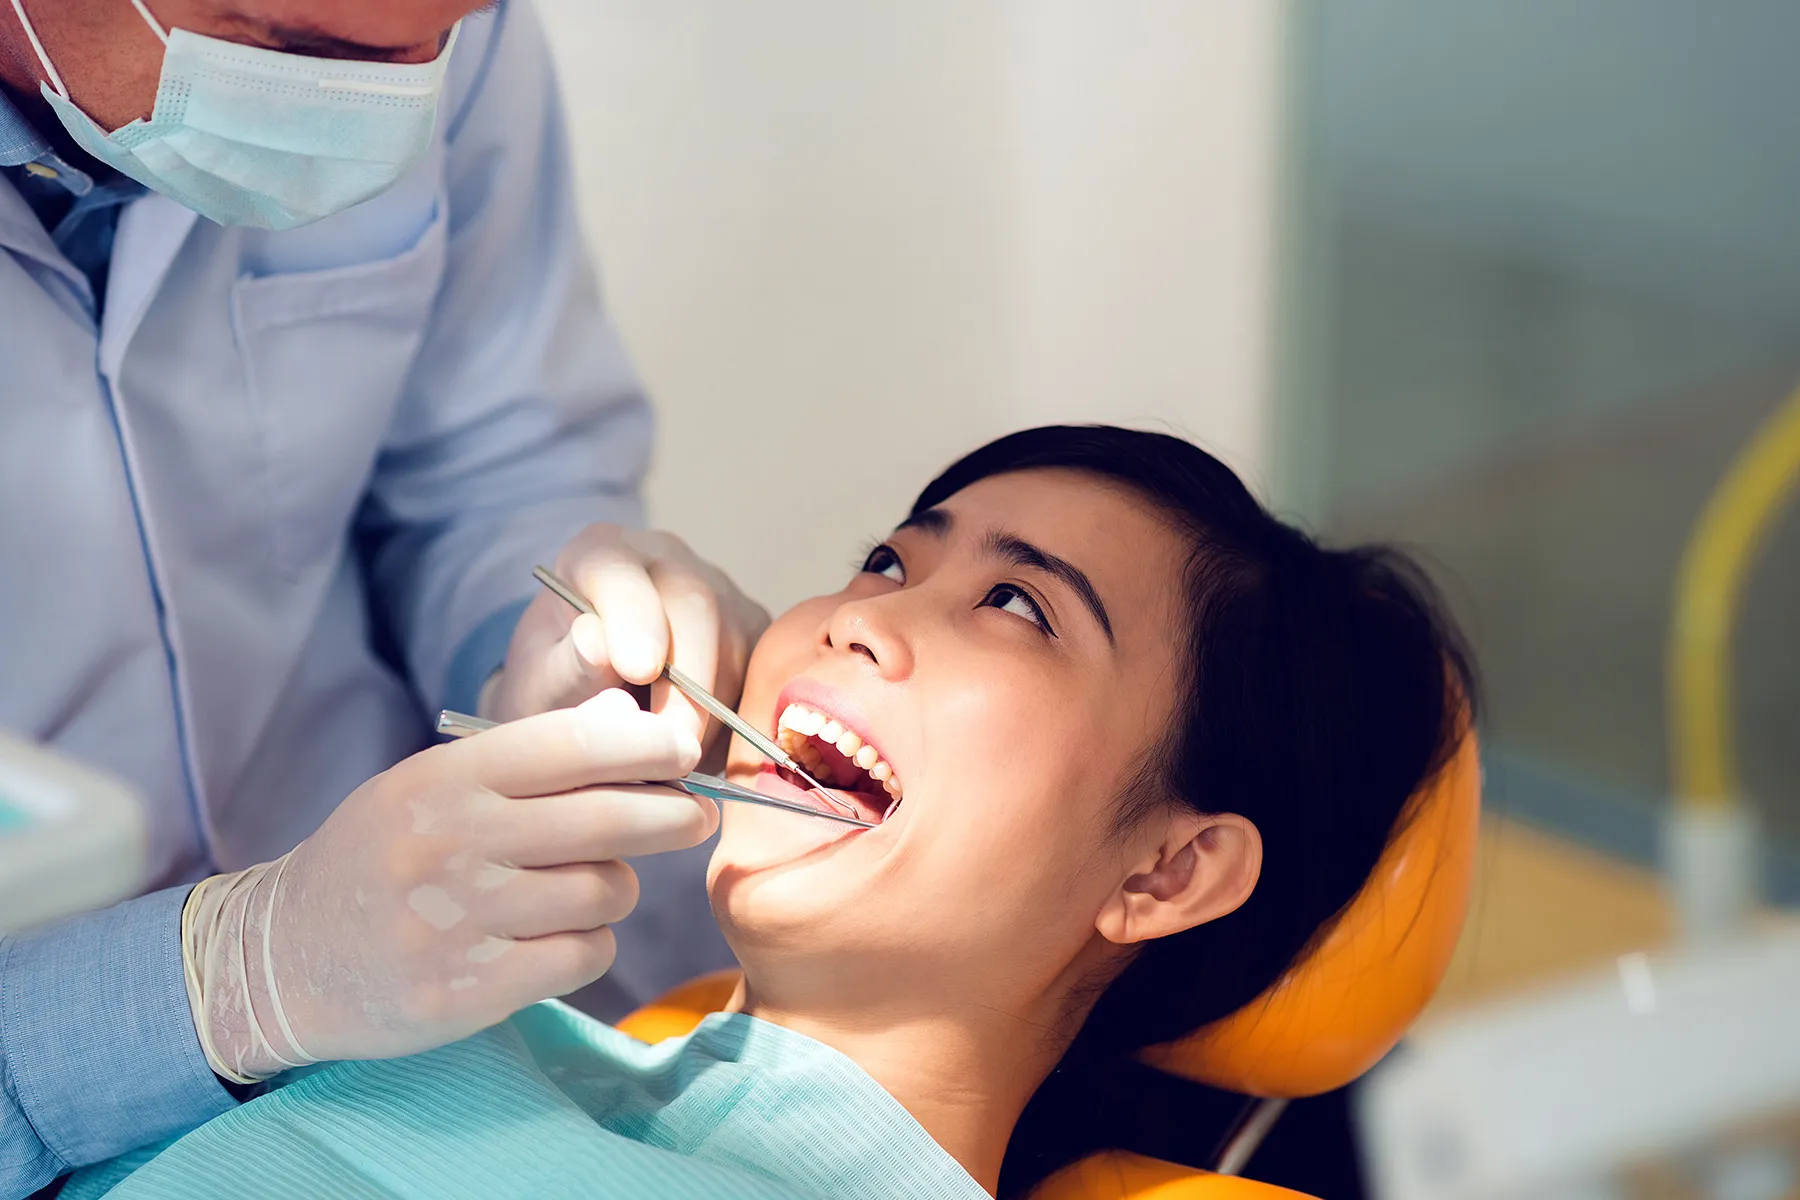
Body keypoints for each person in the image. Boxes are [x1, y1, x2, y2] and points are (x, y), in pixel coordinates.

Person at [59, 425, 1477, 1200]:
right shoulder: (418, 1024)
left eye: (1015, 605)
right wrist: (225, 974)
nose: (855, 623)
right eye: (884, 559)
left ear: (1166, 869)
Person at [0, 3, 758, 1194]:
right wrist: (218, 980)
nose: (400, 87)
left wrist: (530, 640)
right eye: (308, 53)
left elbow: (486, 463)